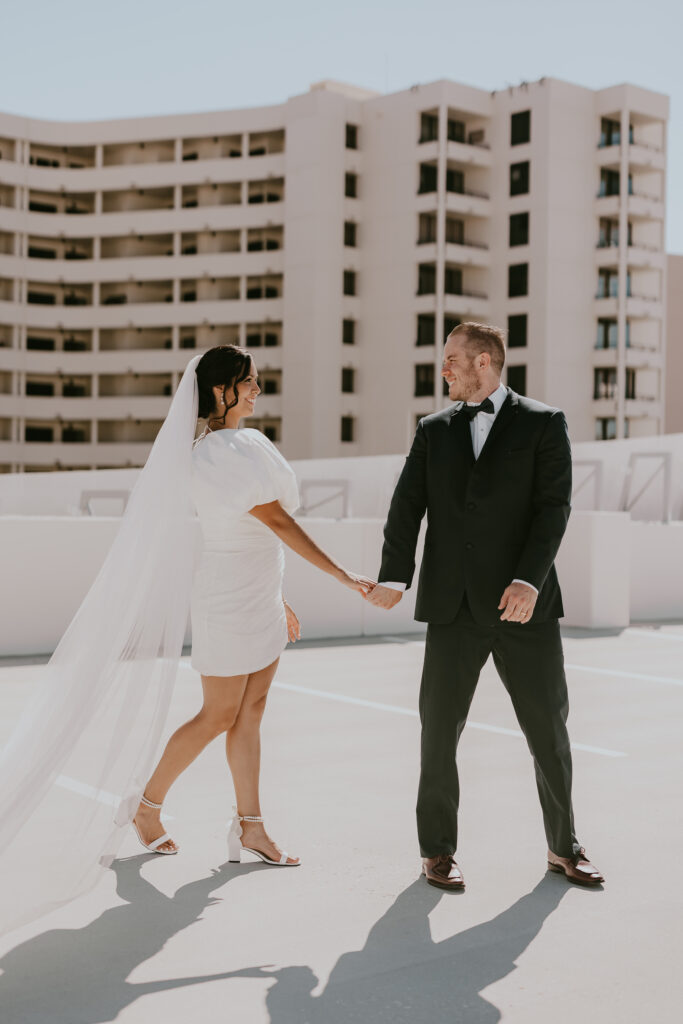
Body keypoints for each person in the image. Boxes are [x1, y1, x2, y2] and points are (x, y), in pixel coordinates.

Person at [366, 322, 604, 891]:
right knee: (438, 732)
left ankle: (563, 846)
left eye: (451, 359)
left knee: (549, 729)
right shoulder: (433, 430)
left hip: (526, 605)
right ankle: (437, 852)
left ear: (484, 362)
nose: (442, 368)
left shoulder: (544, 422)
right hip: (453, 607)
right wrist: (394, 578)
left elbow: (554, 508)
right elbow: (407, 506)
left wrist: (528, 580)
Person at [132, 345, 375, 865]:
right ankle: (147, 808)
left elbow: (257, 530)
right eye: (249, 382)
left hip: (261, 589)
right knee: (219, 713)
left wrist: (278, 597)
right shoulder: (213, 452)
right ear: (221, 391)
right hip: (226, 596)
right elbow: (276, 520)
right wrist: (343, 576)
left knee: (252, 714)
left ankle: (252, 829)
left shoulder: (248, 443)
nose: (257, 390)